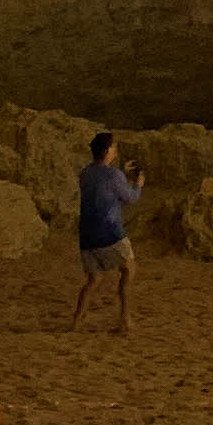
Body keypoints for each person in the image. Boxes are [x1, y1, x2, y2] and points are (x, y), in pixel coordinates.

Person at [69, 131, 141, 334]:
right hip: (109, 233)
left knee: (94, 280)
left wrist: (121, 172)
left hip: (87, 236)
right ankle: (125, 321)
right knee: (129, 270)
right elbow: (130, 198)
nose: (116, 150)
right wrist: (138, 184)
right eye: (114, 147)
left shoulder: (85, 173)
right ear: (108, 150)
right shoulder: (114, 175)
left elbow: (103, 184)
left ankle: (76, 322)